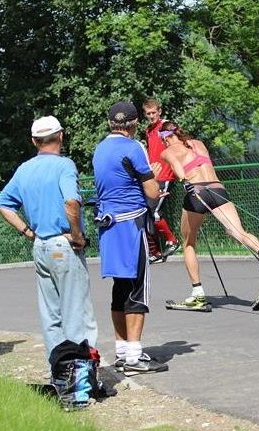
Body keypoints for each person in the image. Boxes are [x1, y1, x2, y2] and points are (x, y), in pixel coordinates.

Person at [0, 116, 98, 365]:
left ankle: (59, 373)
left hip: (40, 245)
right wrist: (77, 236)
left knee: (51, 315)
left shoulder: (24, 169)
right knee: (77, 314)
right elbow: (71, 202)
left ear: (34, 141)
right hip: (64, 245)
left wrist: (28, 232)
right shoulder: (64, 166)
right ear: (60, 136)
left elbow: (2, 204)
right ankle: (82, 375)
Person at [159, 121, 259, 310]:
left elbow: (176, 167)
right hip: (217, 190)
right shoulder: (198, 143)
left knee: (188, 243)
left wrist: (183, 180)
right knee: (237, 232)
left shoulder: (167, 151)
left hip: (196, 192)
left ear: (165, 137)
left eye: (162, 138)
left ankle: (198, 294)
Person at [92, 101, 168, 375]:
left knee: (119, 289)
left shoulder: (99, 149)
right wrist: (155, 185)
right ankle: (135, 356)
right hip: (131, 225)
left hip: (108, 226)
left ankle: (122, 350)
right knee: (138, 288)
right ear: (134, 124)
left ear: (111, 123)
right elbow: (151, 190)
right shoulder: (134, 147)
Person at [142, 98, 180, 263]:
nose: (151, 116)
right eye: (148, 113)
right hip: (153, 176)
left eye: (153, 113)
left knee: (155, 212)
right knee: (147, 213)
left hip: (165, 175)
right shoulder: (148, 130)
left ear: (159, 111)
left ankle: (172, 240)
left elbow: (178, 144)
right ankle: (155, 252)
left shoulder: (166, 126)